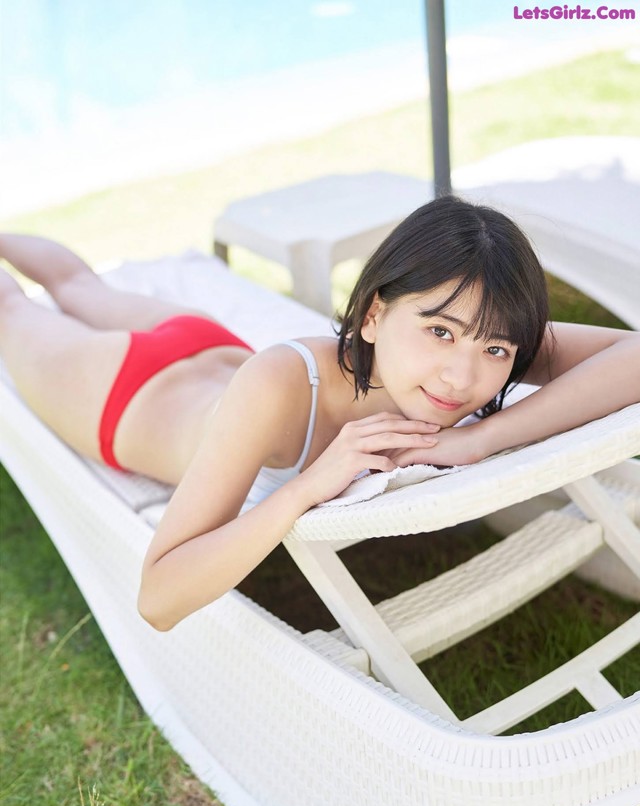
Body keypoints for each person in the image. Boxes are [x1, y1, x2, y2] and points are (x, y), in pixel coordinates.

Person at [0, 197, 638, 633]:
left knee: (82, 287)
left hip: (211, 350)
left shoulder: (468, 348)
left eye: (495, 349)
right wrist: (305, 490)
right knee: (17, 309)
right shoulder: (283, 387)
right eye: (440, 332)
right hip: (121, 393)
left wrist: (484, 439)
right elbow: (159, 597)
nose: (462, 378)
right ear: (373, 314)